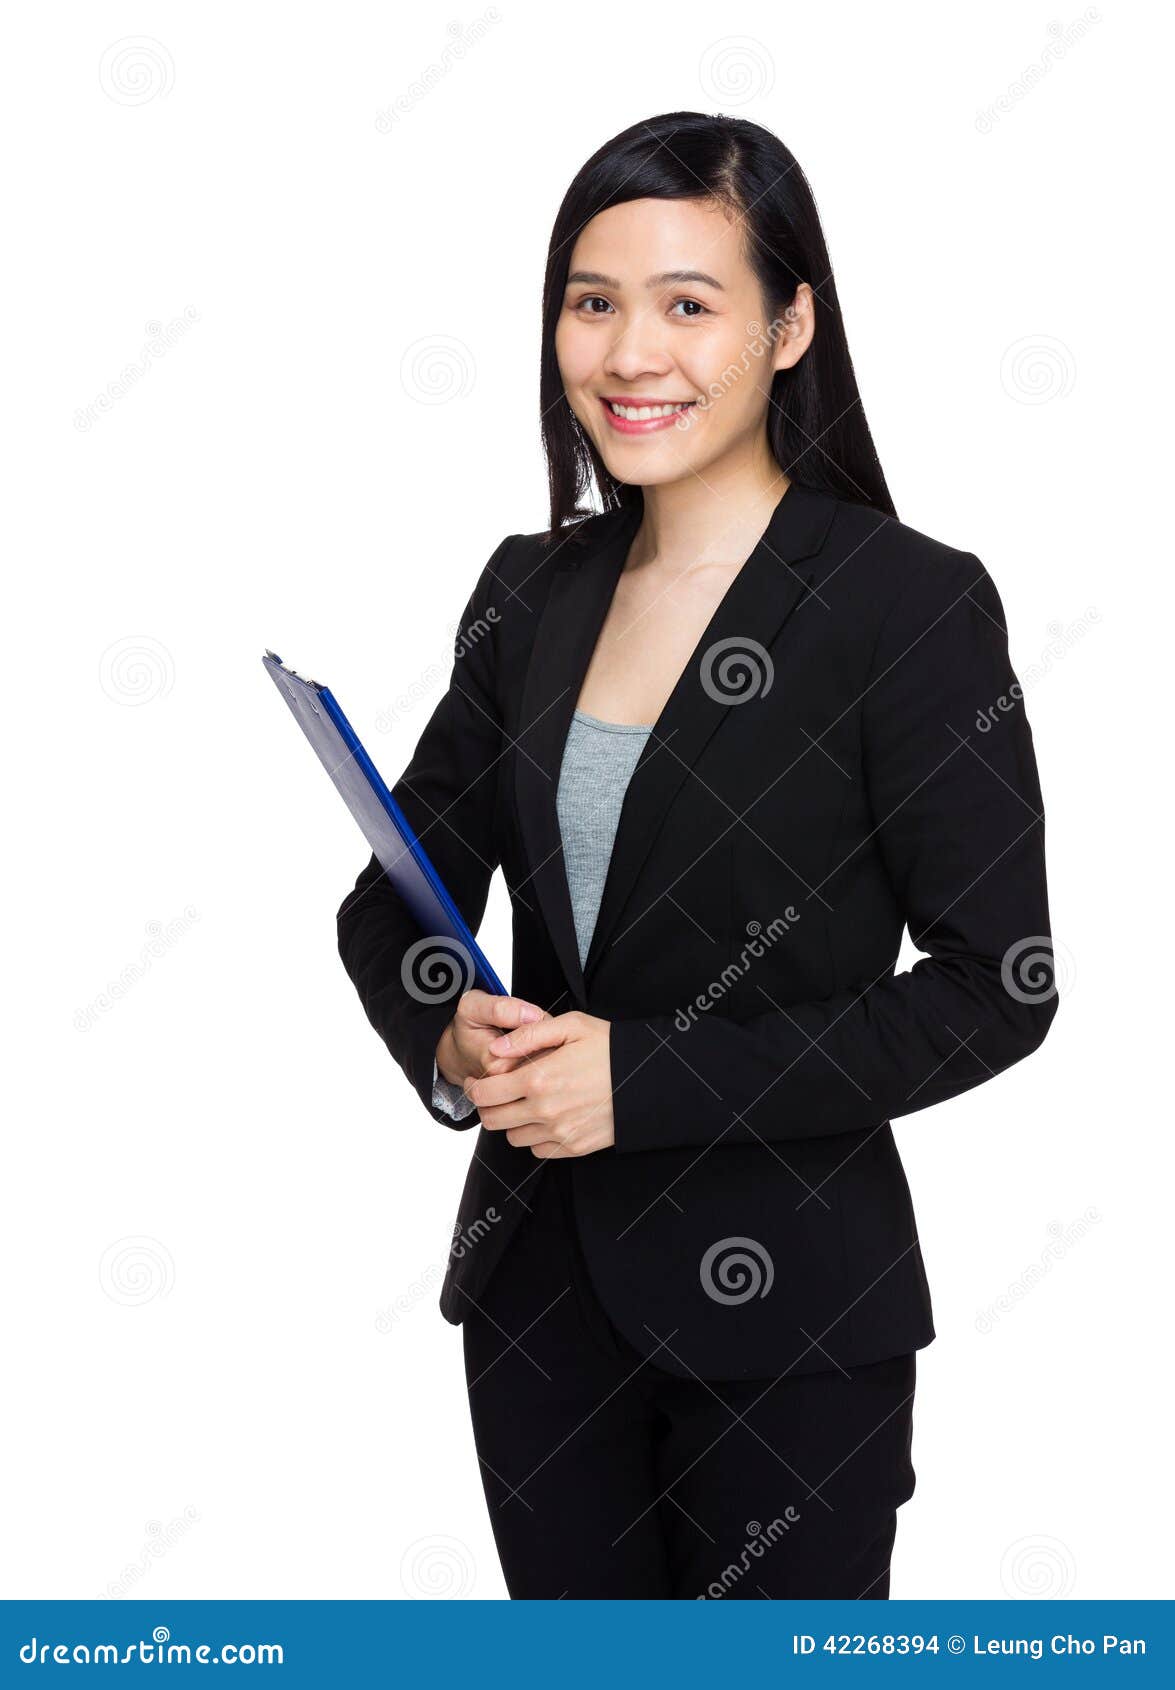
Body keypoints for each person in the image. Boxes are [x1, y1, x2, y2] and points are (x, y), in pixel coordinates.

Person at [336, 110, 1059, 1599]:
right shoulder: (533, 588)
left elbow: (999, 986)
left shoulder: (903, 606)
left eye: (687, 305)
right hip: (539, 1309)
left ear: (789, 328)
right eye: (592, 302)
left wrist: (645, 1082)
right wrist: (449, 1029)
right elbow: (392, 895)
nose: (628, 353)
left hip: (788, 1327)